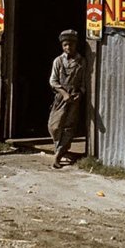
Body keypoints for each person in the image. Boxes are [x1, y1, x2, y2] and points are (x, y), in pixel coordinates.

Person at [47, 29, 87, 169]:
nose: (68, 47)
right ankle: (59, 148)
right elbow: (53, 81)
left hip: (74, 98)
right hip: (60, 97)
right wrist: (63, 93)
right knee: (54, 126)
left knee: (69, 127)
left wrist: (79, 94)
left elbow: (83, 83)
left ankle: (58, 155)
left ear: (76, 45)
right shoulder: (58, 61)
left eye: (71, 44)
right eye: (65, 45)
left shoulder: (81, 62)